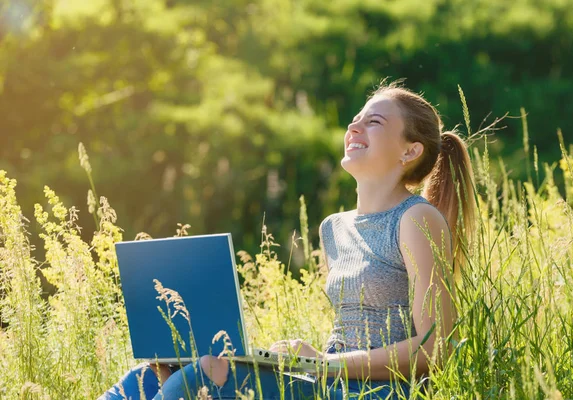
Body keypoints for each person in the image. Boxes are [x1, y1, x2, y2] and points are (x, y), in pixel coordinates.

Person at [100, 81, 476, 399]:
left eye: (373, 122)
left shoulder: (416, 218)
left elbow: (436, 347)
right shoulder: (334, 227)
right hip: (328, 380)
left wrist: (322, 364)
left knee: (204, 374)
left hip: (376, 391)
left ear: (410, 151)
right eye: (355, 119)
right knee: (149, 376)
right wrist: (310, 362)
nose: (354, 127)